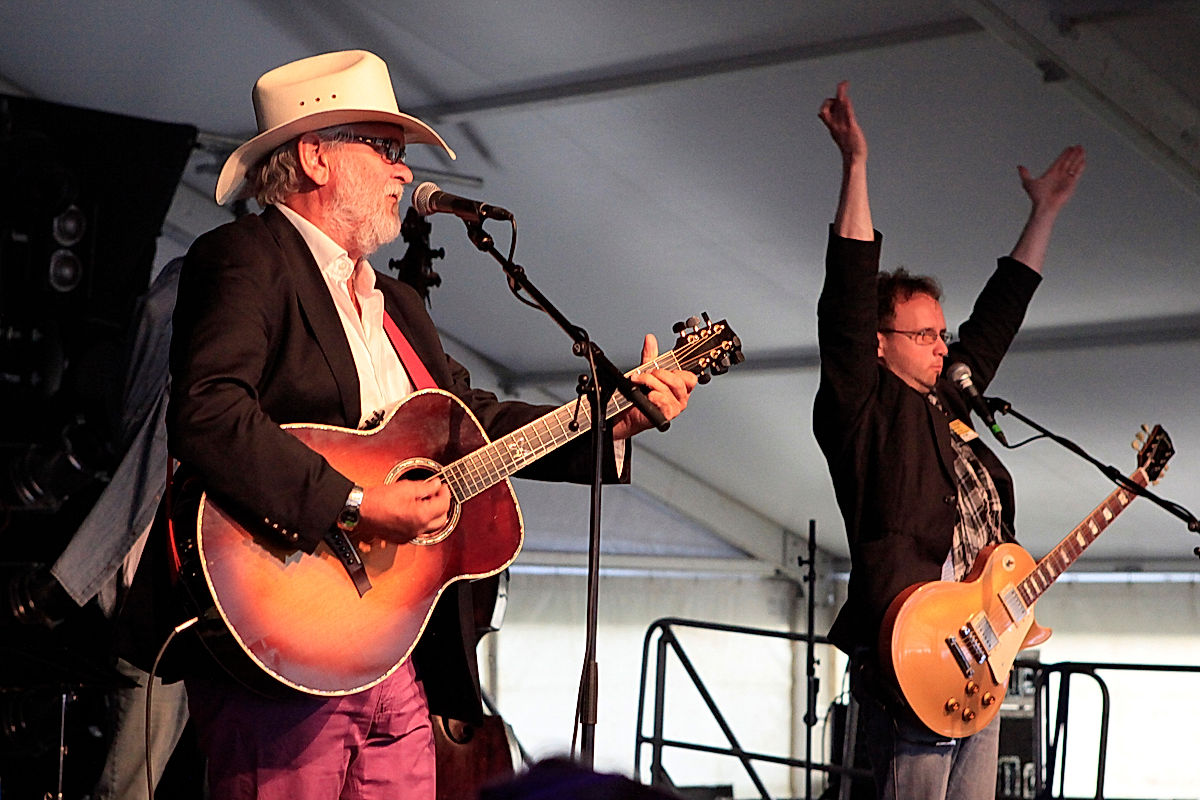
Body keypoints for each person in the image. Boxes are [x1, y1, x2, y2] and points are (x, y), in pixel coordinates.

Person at [127, 49, 696, 800]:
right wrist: (357, 504)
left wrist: (608, 423)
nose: (404, 171)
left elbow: (473, 422)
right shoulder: (245, 258)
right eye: (385, 148)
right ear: (314, 156)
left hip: (395, 651)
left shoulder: (398, 304)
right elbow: (209, 414)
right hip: (287, 641)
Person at [812, 81, 1084, 800]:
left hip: (979, 653)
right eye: (924, 334)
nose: (941, 344)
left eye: (941, 332)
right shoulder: (861, 406)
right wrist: (856, 167)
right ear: (879, 344)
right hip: (917, 651)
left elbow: (997, 317)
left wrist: (1044, 212)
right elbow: (846, 291)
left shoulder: (949, 395)